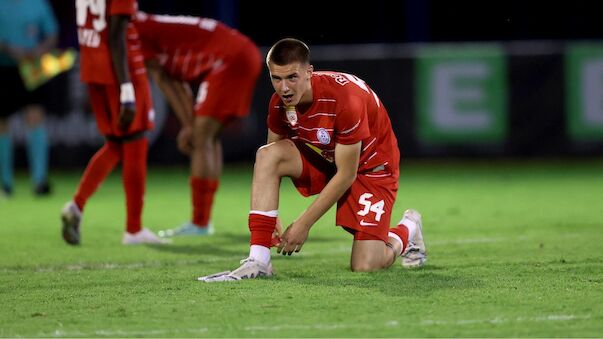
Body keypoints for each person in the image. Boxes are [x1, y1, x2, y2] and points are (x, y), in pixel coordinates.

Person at [198, 38, 427, 282]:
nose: (284, 88)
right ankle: (259, 261)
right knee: (267, 154)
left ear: (309, 72)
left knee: (366, 264)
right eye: (276, 78)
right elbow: (272, 155)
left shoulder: (345, 99)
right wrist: (268, 216)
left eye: (292, 77)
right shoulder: (279, 103)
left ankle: (408, 228)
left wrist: (303, 224)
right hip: (328, 158)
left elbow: (346, 174)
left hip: (371, 168)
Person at [132, 12, 262, 237]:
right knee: (207, 137)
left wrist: (189, 126)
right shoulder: (146, 25)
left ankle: (200, 222)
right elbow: (172, 79)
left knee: (202, 138)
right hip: (241, 53)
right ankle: (202, 221)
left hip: (229, 59)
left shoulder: (133, 32)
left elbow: (165, 81)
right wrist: (189, 125)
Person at [60, 0, 166, 245]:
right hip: (120, 70)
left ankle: (76, 206)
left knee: (116, 144)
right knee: (135, 141)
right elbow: (117, 33)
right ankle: (134, 229)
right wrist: (127, 90)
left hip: (92, 66)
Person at [0, 0, 57, 197]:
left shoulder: (38, 4)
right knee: (2, 124)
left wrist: (39, 51)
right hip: (4, 68)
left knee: (35, 117)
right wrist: (10, 49)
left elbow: (52, 33)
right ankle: (5, 184)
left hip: (32, 67)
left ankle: (39, 181)